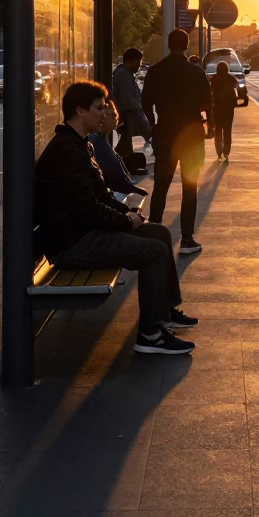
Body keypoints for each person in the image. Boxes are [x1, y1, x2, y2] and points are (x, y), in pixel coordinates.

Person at [35, 80, 197, 354]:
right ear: (80, 110)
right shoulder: (68, 152)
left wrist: (128, 213)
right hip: (73, 243)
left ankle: (165, 314)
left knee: (159, 233)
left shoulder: (79, 145)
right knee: (155, 252)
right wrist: (125, 222)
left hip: (80, 232)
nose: (104, 112)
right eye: (99, 107)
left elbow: (100, 196)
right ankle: (150, 335)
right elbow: (89, 210)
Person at [142, 28, 214, 256]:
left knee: (161, 185)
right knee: (189, 187)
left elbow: (145, 102)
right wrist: (210, 125)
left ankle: (154, 236)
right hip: (191, 134)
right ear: (186, 46)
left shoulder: (155, 71)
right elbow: (207, 102)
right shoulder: (196, 71)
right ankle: (187, 239)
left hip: (165, 133)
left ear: (168, 45)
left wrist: (154, 123)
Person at [88, 100, 149, 198]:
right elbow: (113, 174)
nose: (115, 118)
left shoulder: (99, 138)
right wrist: (131, 188)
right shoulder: (98, 141)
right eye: (111, 114)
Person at [110, 48, 151, 159]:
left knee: (125, 141)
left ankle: (124, 159)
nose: (139, 65)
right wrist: (139, 111)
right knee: (148, 134)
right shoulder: (123, 75)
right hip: (129, 113)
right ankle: (127, 160)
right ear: (128, 61)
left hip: (129, 113)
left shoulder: (125, 74)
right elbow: (128, 98)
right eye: (137, 62)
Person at [210, 59, 238, 161]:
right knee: (227, 131)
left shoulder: (213, 79)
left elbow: (210, 92)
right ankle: (226, 151)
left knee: (218, 130)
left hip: (217, 108)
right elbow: (236, 88)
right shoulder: (231, 79)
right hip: (228, 109)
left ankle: (219, 151)